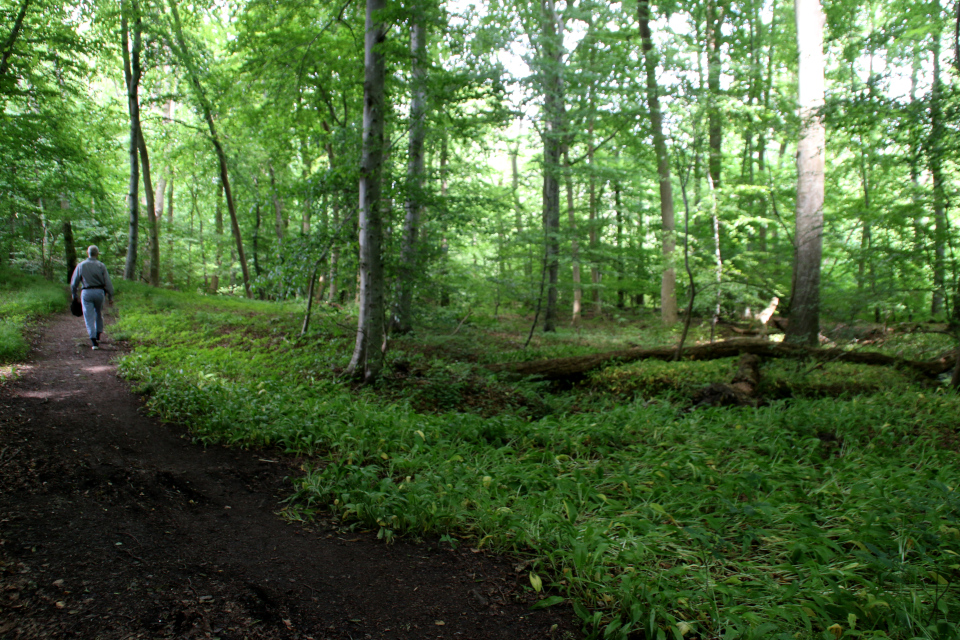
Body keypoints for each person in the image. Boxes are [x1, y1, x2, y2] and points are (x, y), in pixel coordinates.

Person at [70, 245, 114, 350]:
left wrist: (74, 295)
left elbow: (74, 283)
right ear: (97, 253)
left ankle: (93, 341)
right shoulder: (101, 266)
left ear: (87, 253)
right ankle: (98, 334)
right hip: (99, 292)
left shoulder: (81, 265)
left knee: (88, 315)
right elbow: (107, 282)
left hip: (86, 292)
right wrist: (110, 296)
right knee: (99, 312)